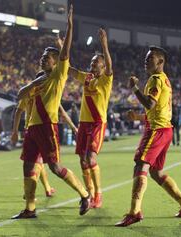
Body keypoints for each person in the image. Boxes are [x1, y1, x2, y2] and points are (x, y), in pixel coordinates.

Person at [12, 5, 91, 219]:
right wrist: (35, 82)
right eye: (42, 56)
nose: (43, 58)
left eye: (47, 57)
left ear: (56, 63)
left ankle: (85, 195)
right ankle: (30, 208)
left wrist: (70, 26)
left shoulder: (58, 75)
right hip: (32, 129)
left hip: (48, 127)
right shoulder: (39, 80)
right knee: (28, 166)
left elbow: (65, 53)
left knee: (55, 167)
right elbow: (19, 95)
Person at [115, 46, 181, 227]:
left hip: (156, 131)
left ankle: (134, 212)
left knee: (140, 165)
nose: (146, 60)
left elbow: (150, 104)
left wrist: (134, 89)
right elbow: (158, 111)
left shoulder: (155, 79)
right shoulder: (165, 80)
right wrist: (138, 117)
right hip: (165, 129)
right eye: (146, 58)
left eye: (150, 58)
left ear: (160, 62)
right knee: (156, 172)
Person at [68, 28, 113, 209]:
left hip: (97, 123)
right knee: (82, 160)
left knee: (91, 159)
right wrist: (62, 50)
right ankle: (89, 192)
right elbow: (70, 70)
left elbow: (110, 65)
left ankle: (98, 194)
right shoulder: (86, 78)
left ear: (103, 67)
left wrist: (104, 45)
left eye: (96, 63)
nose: (93, 65)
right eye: (92, 62)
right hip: (83, 123)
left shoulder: (106, 80)